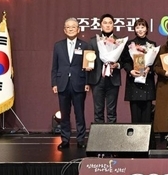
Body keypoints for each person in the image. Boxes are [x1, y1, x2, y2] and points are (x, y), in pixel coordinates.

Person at [51, 18, 90, 150]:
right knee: (64, 114)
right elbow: (54, 67)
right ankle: (65, 139)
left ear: (78, 29)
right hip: (62, 83)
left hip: (79, 83)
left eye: (73, 27)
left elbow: (87, 66)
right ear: (64, 30)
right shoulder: (58, 46)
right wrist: (54, 83)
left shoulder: (84, 45)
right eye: (68, 27)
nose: (71, 29)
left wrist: (87, 82)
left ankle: (80, 139)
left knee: (80, 113)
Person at [86, 14, 123, 123]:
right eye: (105, 23)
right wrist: (87, 66)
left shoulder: (119, 42)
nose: (107, 25)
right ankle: (99, 134)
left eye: (110, 23)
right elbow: (88, 58)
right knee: (98, 111)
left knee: (112, 112)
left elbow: (124, 60)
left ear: (113, 25)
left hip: (113, 79)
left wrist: (117, 65)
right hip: (97, 80)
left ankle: (111, 134)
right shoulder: (93, 41)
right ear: (100, 25)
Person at [120, 18, 156, 125]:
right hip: (134, 83)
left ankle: (147, 136)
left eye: (142, 27)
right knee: (135, 117)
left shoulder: (152, 44)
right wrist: (130, 71)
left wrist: (149, 68)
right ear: (134, 29)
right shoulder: (130, 44)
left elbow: (155, 63)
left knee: (147, 117)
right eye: (137, 27)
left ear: (147, 29)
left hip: (147, 83)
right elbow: (125, 61)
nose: (140, 29)